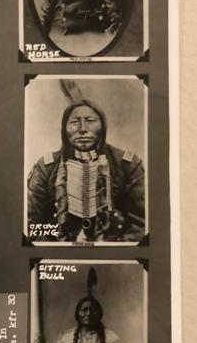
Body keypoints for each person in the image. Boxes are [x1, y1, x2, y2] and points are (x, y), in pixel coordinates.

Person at [27, 96, 145, 242]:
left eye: (90, 121)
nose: (82, 129)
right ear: (64, 129)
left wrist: (115, 251)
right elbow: (31, 224)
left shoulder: (127, 164)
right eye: (74, 122)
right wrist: (54, 252)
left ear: (103, 126)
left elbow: (141, 224)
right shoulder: (46, 167)